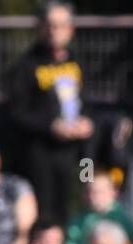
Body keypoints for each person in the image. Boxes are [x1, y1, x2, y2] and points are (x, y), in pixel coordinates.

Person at [5, 1, 94, 226]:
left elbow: (89, 101)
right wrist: (50, 126)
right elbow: (16, 112)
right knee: (45, 215)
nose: (55, 31)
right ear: (40, 27)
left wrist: (87, 122)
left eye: (61, 25)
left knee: (81, 201)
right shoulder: (26, 66)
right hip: (40, 154)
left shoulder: (79, 62)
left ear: (71, 29)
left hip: (78, 154)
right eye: (50, 25)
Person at [65, 175, 133, 244]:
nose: (94, 197)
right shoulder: (78, 221)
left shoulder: (123, 218)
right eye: (90, 192)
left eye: (100, 192)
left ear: (113, 193)